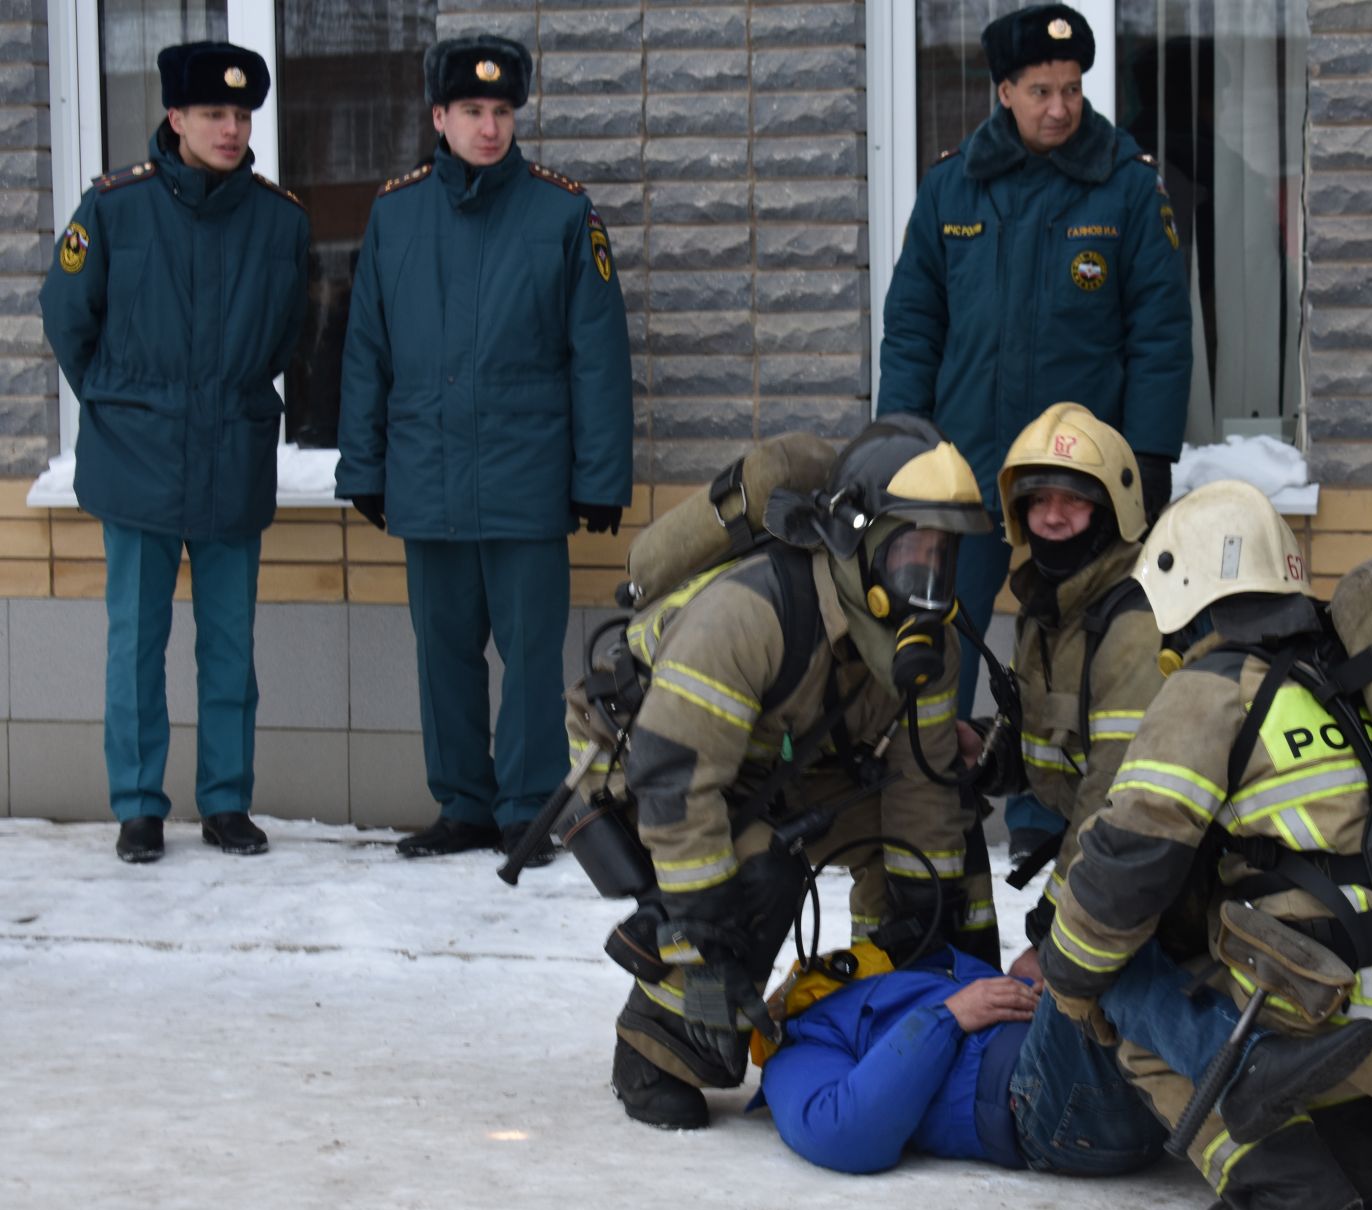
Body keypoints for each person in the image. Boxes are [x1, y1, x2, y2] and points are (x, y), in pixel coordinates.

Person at [1039, 480, 1372, 1210]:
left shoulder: (1213, 690)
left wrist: (1068, 974)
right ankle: (1362, 1168)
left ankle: (1282, 1185)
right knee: (1283, 932)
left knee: (1136, 988)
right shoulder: (1351, 678)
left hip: (1352, 1002)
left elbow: (1129, 863)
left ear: (1184, 587)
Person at [578, 417, 1006, 1132]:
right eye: (908, 552)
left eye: (941, 555)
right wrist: (704, 899)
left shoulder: (925, 643)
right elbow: (673, 771)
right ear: (857, 541)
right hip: (646, 771)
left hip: (778, 766)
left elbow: (920, 786)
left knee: (941, 858)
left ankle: (897, 1010)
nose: (926, 581)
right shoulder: (750, 613)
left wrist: (922, 913)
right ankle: (659, 1048)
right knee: (745, 880)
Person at [335, 34, 635, 858]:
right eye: (472, 110)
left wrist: (599, 477)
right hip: (426, 480)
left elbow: (599, 358)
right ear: (439, 116)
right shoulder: (396, 215)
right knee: (445, 656)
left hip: (526, 481)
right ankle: (464, 803)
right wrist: (363, 466)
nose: (490, 127)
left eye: (502, 111)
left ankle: (526, 808)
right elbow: (366, 352)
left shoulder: (564, 214)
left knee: (533, 657)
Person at [876, 2, 1192, 741]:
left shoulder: (1128, 189)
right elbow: (914, 329)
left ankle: (1043, 805)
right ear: (1004, 91)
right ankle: (933, 789)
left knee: (1067, 649)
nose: (1061, 108)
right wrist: (903, 442)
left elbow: (1160, 334)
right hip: (967, 467)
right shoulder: (950, 190)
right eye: (1043, 91)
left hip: (1074, 480)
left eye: (1073, 88)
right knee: (943, 633)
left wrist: (1147, 453)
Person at [40, 41, 310, 863]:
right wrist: (123, 406)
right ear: (176, 118)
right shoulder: (114, 209)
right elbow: (67, 316)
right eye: (212, 114)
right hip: (138, 462)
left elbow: (289, 334)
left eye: (240, 114)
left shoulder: (280, 220)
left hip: (231, 455)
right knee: (135, 641)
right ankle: (138, 807)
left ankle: (226, 802)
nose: (230, 129)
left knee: (231, 644)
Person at [759, 939, 1372, 1179]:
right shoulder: (803, 1043)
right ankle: (1249, 1064)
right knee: (1097, 952)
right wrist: (948, 1017)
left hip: (1090, 1076)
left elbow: (1005, 1004)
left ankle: (1353, 1150)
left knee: (1166, 937)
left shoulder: (906, 978)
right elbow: (843, 1132)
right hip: (1046, 1112)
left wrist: (1024, 976)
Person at [963, 403, 1165, 947]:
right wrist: (986, 750)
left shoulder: (1134, 623)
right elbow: (1052, 741)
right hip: (1107, 879)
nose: (1053, 518)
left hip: (1154, 891)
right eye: (1039, 501)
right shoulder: (1049, 608)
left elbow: (1115, 800)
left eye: (1074, 500)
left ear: (1112, 509)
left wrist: (1054, 928)